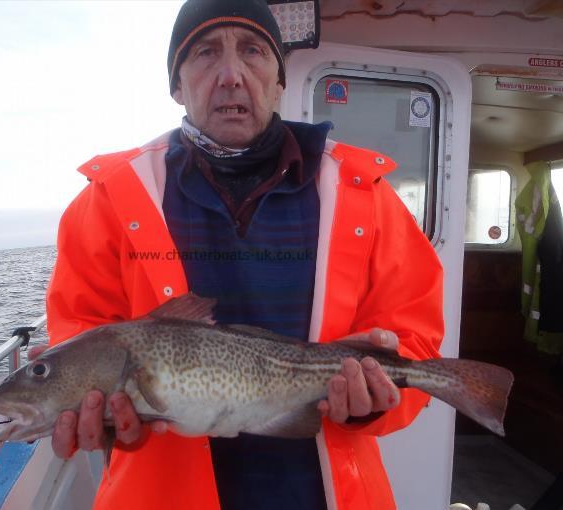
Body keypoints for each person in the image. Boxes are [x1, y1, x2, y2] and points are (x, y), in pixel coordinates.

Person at [41, 0, 444, 508]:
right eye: (206, 53)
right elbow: (82, 338)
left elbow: (416, 348)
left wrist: (373, 404)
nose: (231, 75)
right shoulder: (108, 199)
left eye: (252, 51)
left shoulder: (366, 194)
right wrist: (103, 417)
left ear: (279, 79)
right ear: (176, 85)